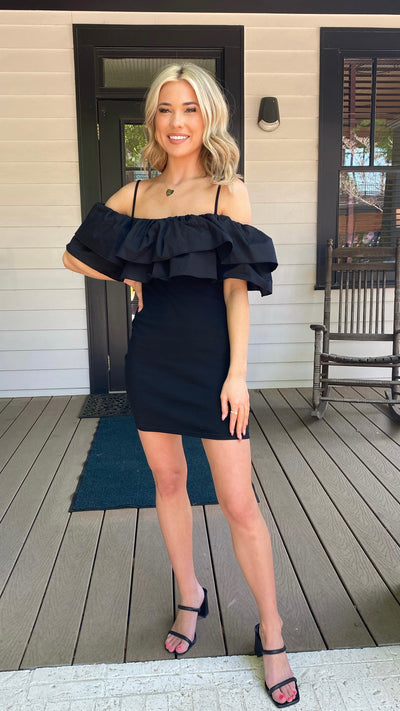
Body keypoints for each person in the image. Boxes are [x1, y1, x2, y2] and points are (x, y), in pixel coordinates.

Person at [63, 63, 299, 708]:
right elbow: (75, 254)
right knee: (168, 483)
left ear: (207, 118)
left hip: (213, 362)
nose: (177, 121)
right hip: (153, 357)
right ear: (153, 120)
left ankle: (272, 629)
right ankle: (190, 594)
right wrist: (131, 274)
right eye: (166, 109)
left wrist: (238, 374)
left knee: (238, 502)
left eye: (190, 108)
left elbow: (237, 291)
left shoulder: (228, 193)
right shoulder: (135, 197)